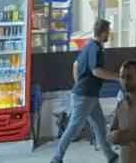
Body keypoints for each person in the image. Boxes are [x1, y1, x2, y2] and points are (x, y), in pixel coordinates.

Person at [50, 19, 120, 163]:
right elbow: (96, 71)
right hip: (85, 96)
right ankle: (56, 158)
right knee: (74, 128)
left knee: (100, 126)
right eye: (108, 32)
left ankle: (111, 156)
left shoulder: (89, 46)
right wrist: (117, 77)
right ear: (102, 32)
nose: (109, 34)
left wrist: (79, 83)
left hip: (89, 95)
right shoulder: (95, 48)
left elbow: (76, 65)